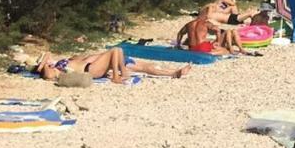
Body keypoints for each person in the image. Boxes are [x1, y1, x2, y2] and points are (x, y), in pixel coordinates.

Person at [35, 49, 190, 83]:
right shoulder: (51, 70)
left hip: (101, 64)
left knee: (146, 66)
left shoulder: (64, 61)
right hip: (93, 69)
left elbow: (47, 53)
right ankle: (118, 76)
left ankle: (174, 73)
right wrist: (43, 65)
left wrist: (45, 60)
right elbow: (48, 75)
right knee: (117, 51)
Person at [176, 13, 243, 55]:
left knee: (208, 45)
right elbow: (218, 30)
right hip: (202, 47)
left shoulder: (189, 24)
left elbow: (179, 34)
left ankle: (209, 52)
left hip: (191, 48)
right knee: (226, 51)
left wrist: (178, 45)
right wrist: (217, 41)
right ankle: (211, 53)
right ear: (204, 17)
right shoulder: (205, 23)